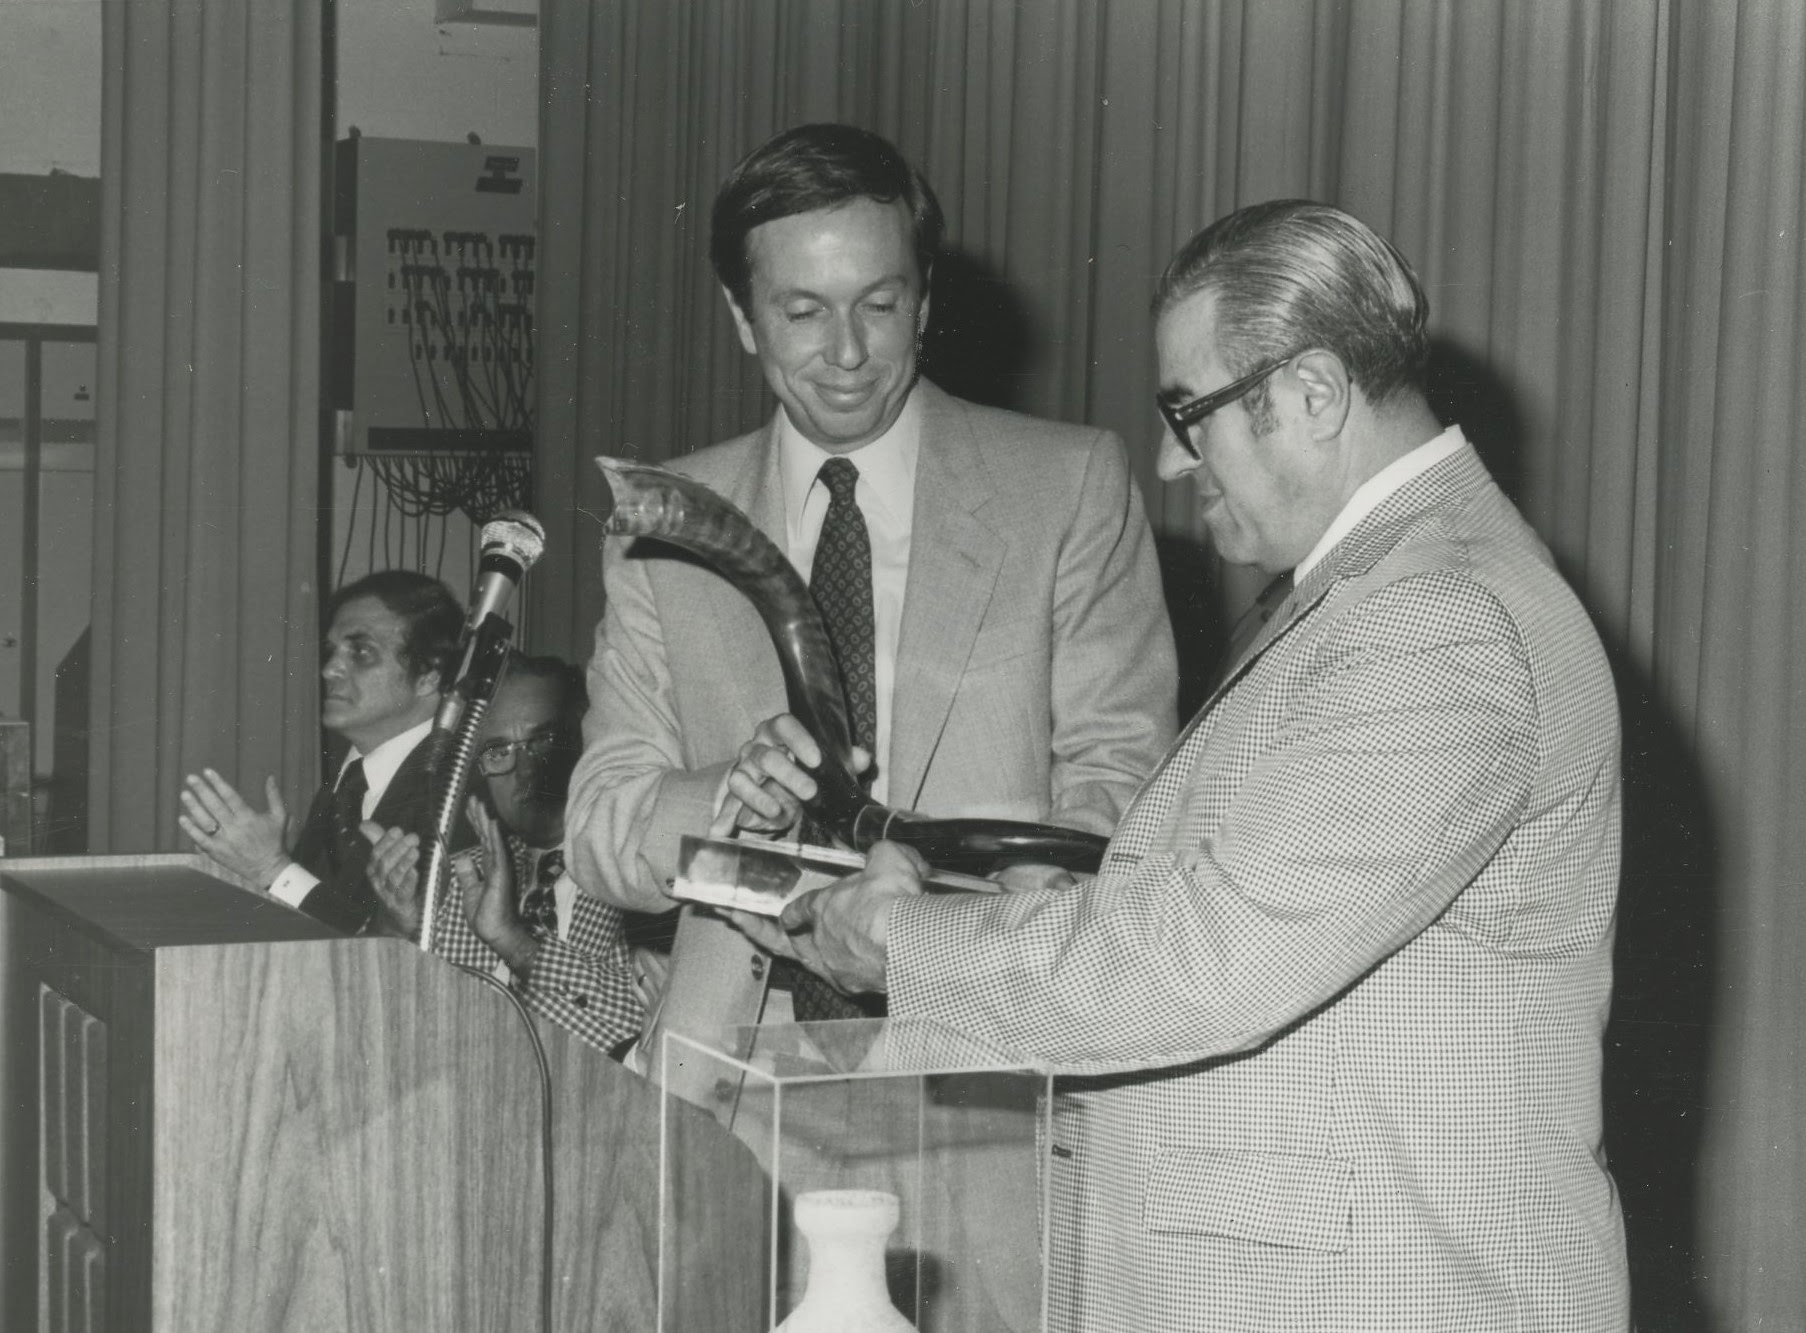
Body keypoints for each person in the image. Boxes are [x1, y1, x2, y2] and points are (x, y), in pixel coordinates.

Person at [737, 201, 1630, 1329]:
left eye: (1187, 411)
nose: (1167, 458)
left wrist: (901, 941)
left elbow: (1211, 956)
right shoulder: (1380, 596)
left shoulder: (1437, 619)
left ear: (1310, 391)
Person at [563, 122, 1178, 1060]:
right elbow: (601, 831)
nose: (847, 353)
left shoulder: (1067, 486)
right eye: (803, 312)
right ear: (742, 317)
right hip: (730, 1066)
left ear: (925, 301)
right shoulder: (668, 524)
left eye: (879, 304)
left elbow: (1119, 798)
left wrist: (923, 944)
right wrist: (722, 796)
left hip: (983, 1056)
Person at [360, 654, 648, 1058]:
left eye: (542, 741)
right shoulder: (461, 876)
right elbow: (373, 1023)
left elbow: (661, 1041)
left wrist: (516, 942)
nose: (523, 769)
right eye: (497, 751)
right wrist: (395, 931)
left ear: (586, 743)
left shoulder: (642, 865)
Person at [179, 570, 465, 935]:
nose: (329, 669)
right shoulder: (345, 785)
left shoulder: (454, 792)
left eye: (361, 652)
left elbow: (396, 951)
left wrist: (270, 869)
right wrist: (246, 874)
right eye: (332, 652)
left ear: (429, 676)